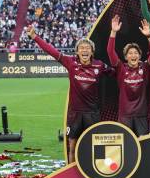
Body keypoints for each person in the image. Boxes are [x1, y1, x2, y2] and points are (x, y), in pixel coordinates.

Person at [26, 25, 112, 163]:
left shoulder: (99, 65)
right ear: (77, 52)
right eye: (81, 48)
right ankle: (71, 174)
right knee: (72, 146)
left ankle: (96, 174)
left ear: (92, 52)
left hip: (93, 113)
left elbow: (116, 73)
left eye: (87, 48)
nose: (84, 50)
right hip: (75, 113)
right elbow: (51, 51)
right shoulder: (70, 63)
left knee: (96, 146)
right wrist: (35, 37)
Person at [108, 15, 150, 136]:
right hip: (125, 115)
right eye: (130, 53)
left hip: (141, 114)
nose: (133, 55)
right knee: (126, 146)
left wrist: (149, 36)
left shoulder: (145, 68)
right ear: (126, 57)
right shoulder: (121, 68)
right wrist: (113, 32)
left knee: (144, 145)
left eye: (136, 53)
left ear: (139, 56)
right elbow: (110, 51)